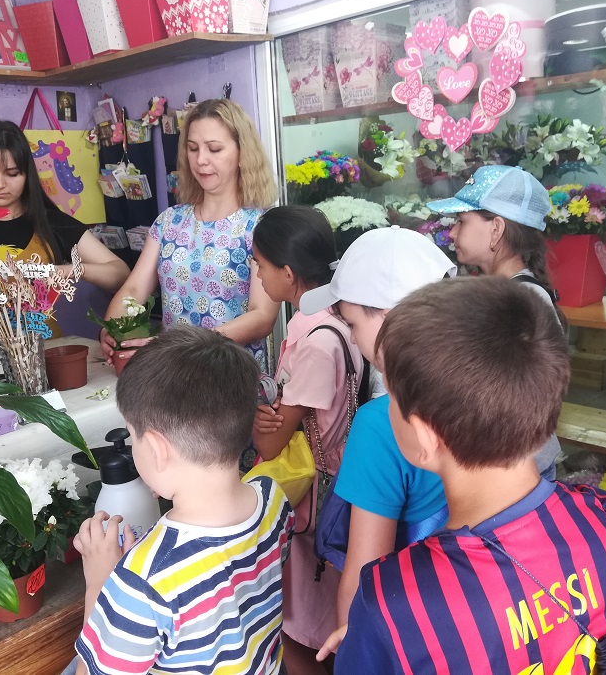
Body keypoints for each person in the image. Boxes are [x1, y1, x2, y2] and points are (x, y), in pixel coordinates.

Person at [329, 277, 606, 673]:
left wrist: (379, 636)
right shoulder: (604, 519)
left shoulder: (395, 603)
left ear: (426, 435)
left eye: (391, 396)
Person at [72, 325, 295, 674]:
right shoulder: (273, 498)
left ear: (158, 449)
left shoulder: (143, 579)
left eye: (133, 436)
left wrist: (101, 583)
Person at [295, 226, 456, 643]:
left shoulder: (381, 424)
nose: (351, 336)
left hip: (411, 629)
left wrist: (351, 649)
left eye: (351, 323)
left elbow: (364, 575)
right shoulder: (484, 393)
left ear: (388, 317)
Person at [250, 206, 363, 675]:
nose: (257, 274)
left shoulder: (317, 342)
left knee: (298, 627)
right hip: (334, 481)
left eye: (260, 265)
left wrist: (255, 416)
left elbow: (271, 444)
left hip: (315, 497)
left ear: (288, 273)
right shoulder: (340, 321)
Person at [100, 99, 279, 369]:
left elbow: (262, 317)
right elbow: (134, 289)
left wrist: (183, 347)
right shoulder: (169, 222)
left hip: (234, 377)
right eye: (193, 148)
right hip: (175, 376)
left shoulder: (261, 227)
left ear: (243, 154)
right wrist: (111, 327)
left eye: (214, 149)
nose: (201, 160)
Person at [0, 120, 130, 340]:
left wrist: (68, 271)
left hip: (42, 349)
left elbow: (120, 273)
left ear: (27, 174)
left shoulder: (51, 222)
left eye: (12, 173)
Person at [427, 164, 564, 480]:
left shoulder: (523, 300)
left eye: (461, 221)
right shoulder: (499, 292)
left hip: (516, 474)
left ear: (496, 229)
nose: (452, 233)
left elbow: (514, 398)